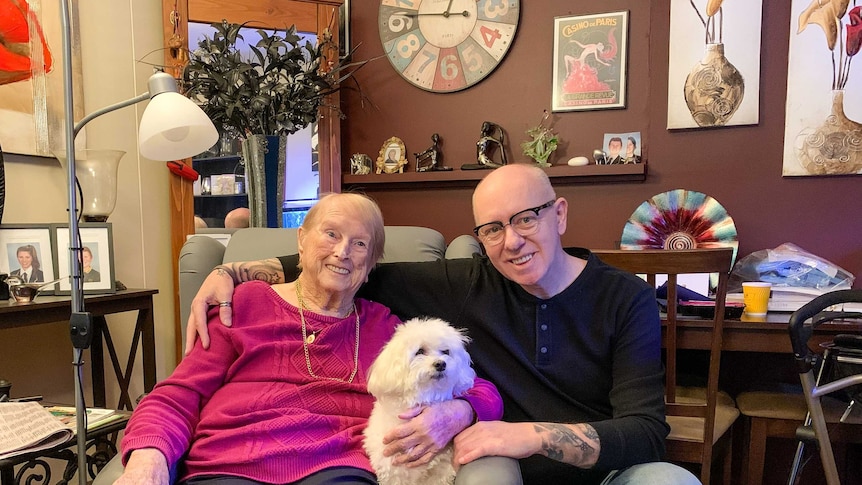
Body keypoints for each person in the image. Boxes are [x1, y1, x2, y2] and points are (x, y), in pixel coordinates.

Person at [187, 164, 700, 485]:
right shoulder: (465, 282)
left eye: (526, 218)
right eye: (492, 229)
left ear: (559, 214)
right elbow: (350, 265)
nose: (512, 241)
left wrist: (530, 436)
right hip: (494, 471)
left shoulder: (624, 297)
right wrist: (231, 270)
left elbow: (647, 432)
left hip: (604, 473)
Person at [117, 193, 504, 485]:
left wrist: (461, 411)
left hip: (337, 470)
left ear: (370, 265)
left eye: (360, 244)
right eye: (331, 234)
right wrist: (148, 456)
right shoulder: (243, 305)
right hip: (228, 465)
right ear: (301, 241)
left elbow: (477, 386)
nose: (342, 252)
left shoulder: (386, 328)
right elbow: (178, 394)